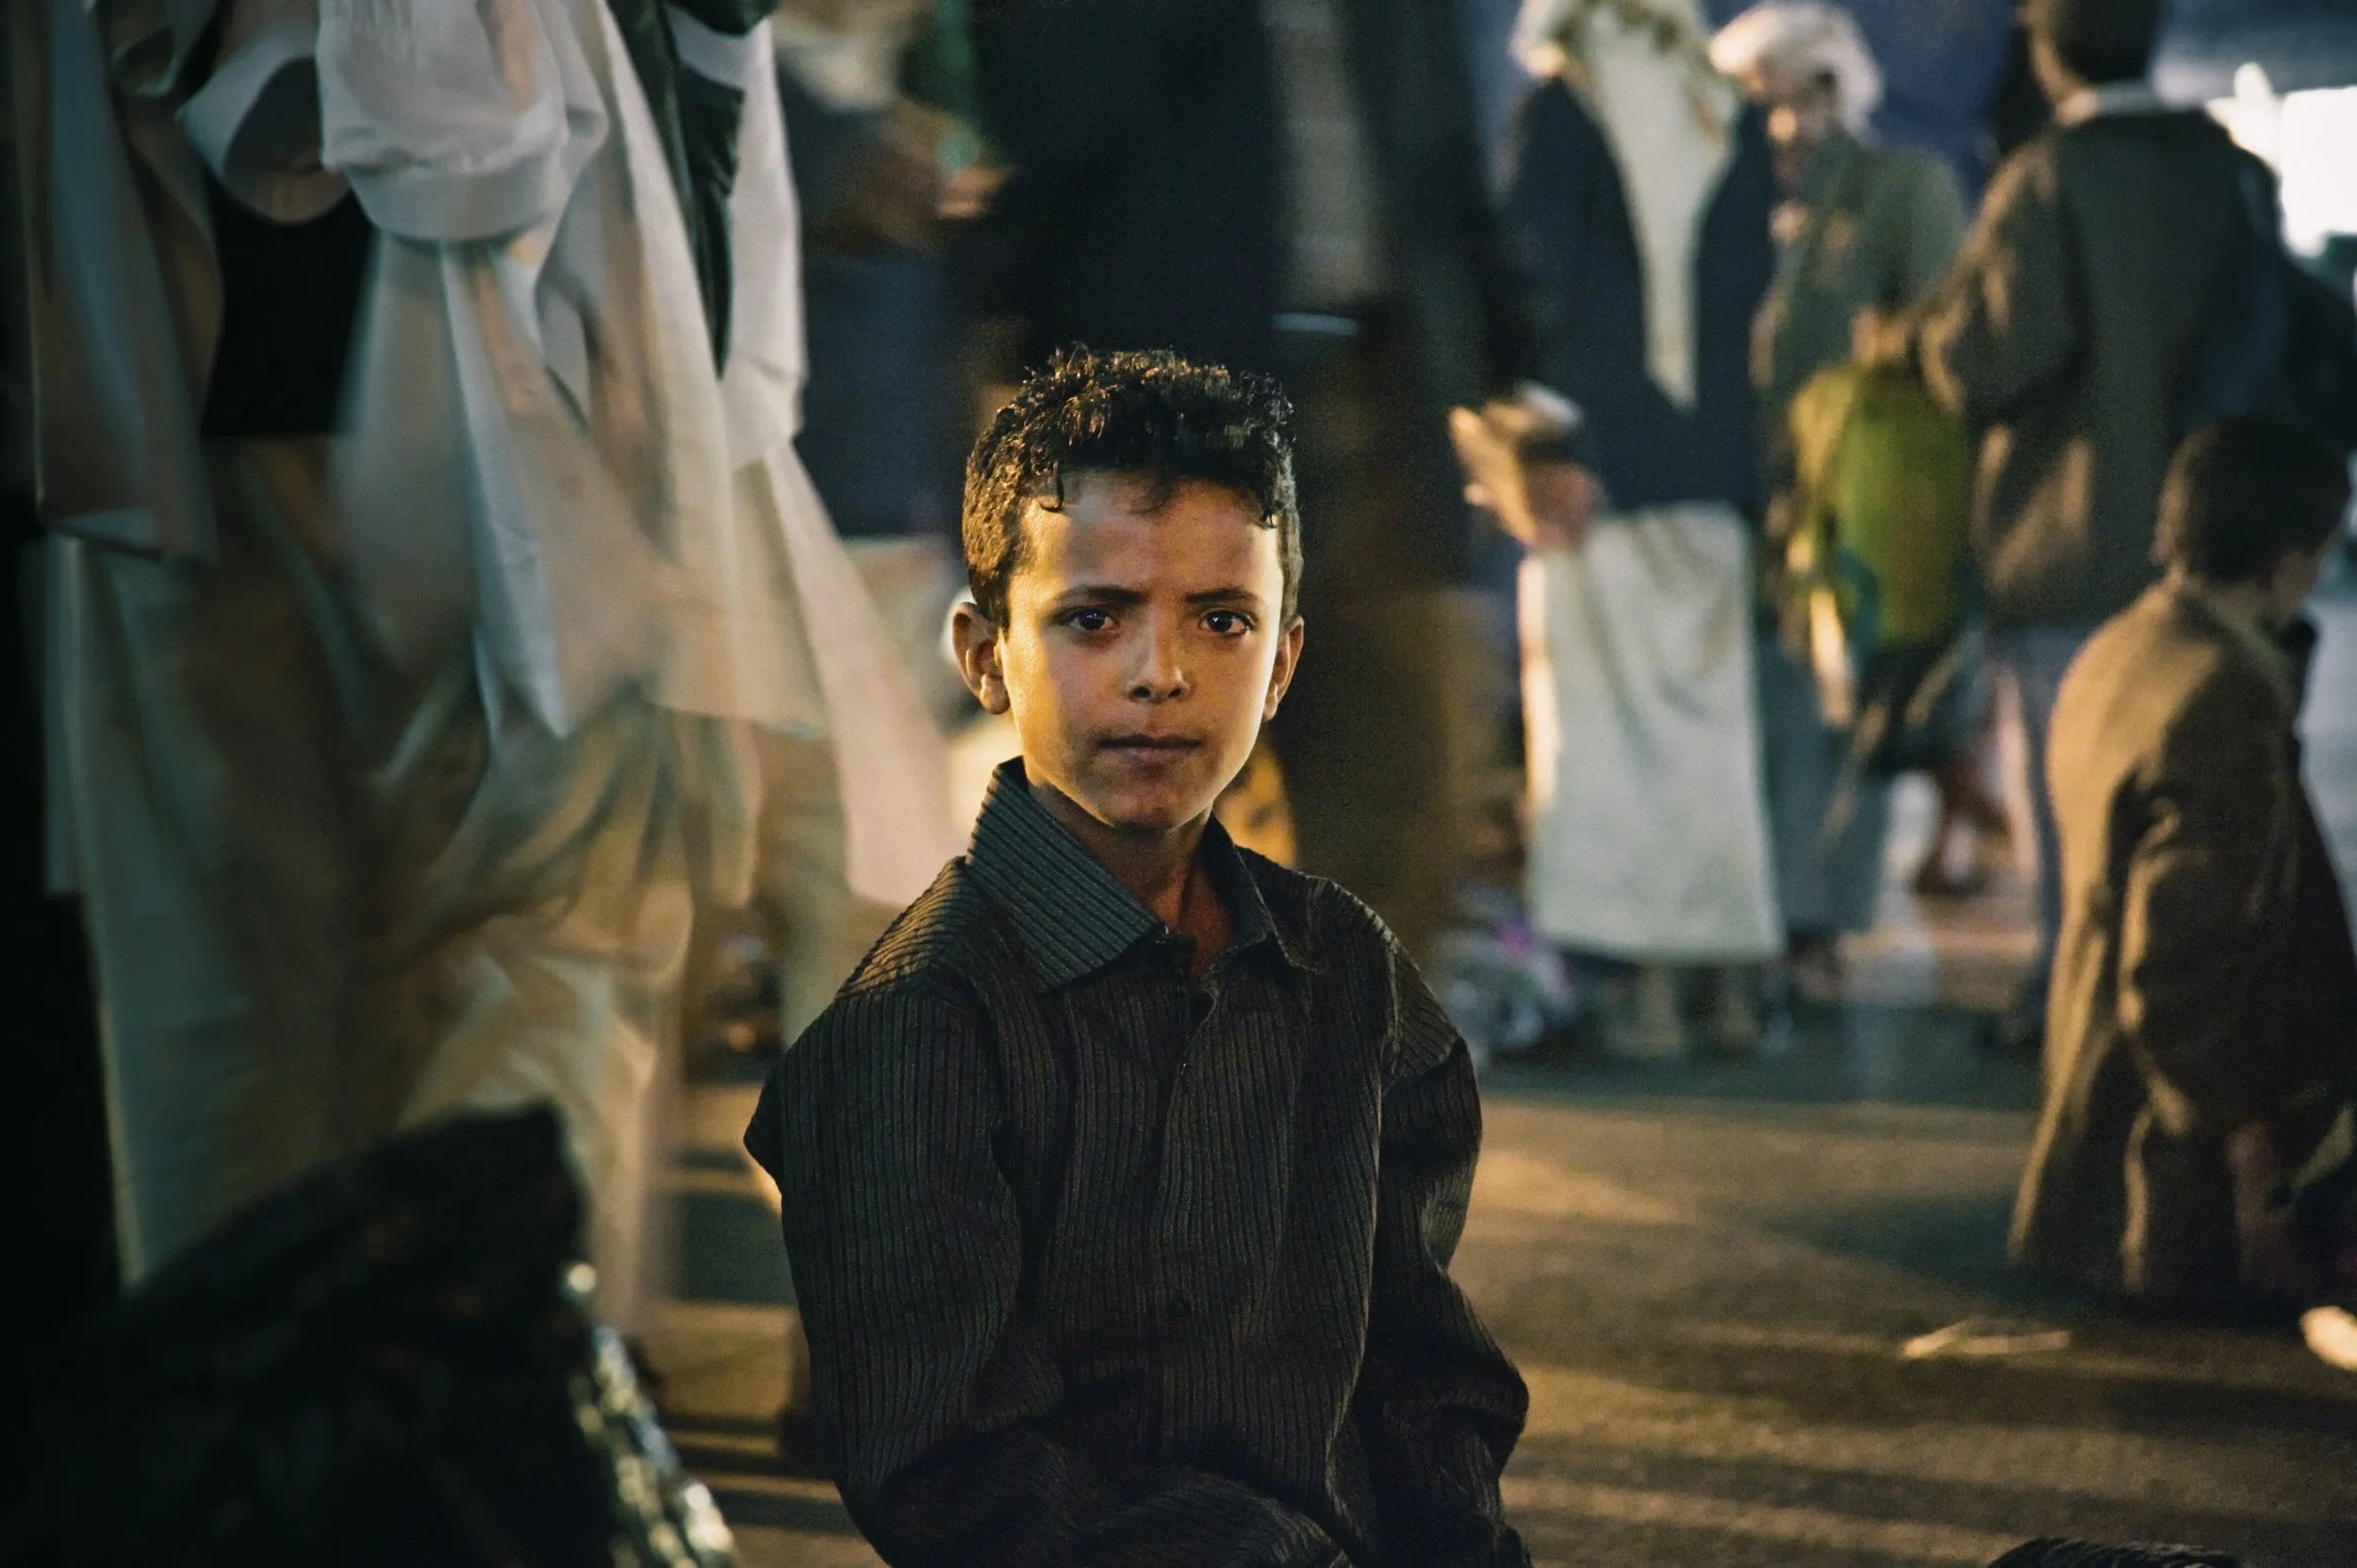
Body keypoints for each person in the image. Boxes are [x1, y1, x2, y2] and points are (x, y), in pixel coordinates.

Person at [745, 348, 1532, 1567]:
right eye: (1093, 617)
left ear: (1281, 664)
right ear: (981, 651)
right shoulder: (910, 1034)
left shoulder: (1348, 976)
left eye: (1222, 620)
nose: (1161, 673)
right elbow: (950, 1475)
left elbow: (1429, 1393)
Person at [965, 0, 1594, 966]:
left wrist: (1526, 397)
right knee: (1148, 793)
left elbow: (1447, 178)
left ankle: (1329, 1085)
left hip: (1378, 414)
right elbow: (1039, 135)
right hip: (1172, 434)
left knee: (1404, 783)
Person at [1917, 0, 2261, 1052]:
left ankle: (2075, 1007)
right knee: (2197, 783)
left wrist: (1929, 340)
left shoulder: (2044, 179)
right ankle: (2199, 994)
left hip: (2071, 543)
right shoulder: (2224, 169)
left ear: (2045, 50)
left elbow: (1996, 358)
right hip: (2216, 542)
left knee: (2071, 788)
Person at [2012, 421, 2356, 1311]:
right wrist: (2258, 1167)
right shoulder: (2218, 700)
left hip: (2092, 1142)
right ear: (2283, 566)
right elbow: (2178, 969)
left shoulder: (2121, 647)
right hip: (2170, 1180)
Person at [1503, 0, 1784, 1058]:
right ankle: (1730, 994)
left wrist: (1536, 445)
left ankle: (1644, 998)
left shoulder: (1558, 108)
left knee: (1612, 747)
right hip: (1711, 468)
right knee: (1712, 744)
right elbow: (1750, 291)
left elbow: (1533, 290)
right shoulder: (1730, 112)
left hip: (1594, 469)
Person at [1710, 0, 1970, 1005]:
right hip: (1745, 489)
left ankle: (1813, 928)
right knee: (1760, 710)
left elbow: (1944, 329)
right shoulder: (1730, 197)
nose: (1779, 116)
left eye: (1795, 89)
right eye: (1756, 95)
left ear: (1835, 85)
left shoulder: (1902, 184)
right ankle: (1761, 920)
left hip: (1854, 499)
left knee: (1833, 717)